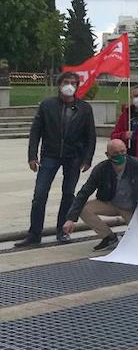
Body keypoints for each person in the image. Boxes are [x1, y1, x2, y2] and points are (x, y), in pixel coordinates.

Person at [16, 72, 97, 247]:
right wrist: (32, 156)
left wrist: (87, 158)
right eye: (66, 82)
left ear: (77, 86)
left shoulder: (84, 108)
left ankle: (63, 231)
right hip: (50, 155)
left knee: (68, 194)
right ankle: (34, 234)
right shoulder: (47, 105)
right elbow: (36, 131)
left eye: (73, 83)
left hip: (73, 157)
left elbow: (91, 135)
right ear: (59, 84)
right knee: (40, 194)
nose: (69, 85)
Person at [63, 139, 138, 251]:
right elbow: (84, 192)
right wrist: (71, 218)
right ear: (107, 155)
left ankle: (134, 233)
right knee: (84, 208)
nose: (120, 155)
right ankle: (109, 237)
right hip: (110, 203)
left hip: (132, 207)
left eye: (122, 152)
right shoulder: (101, 169)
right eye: (115, 153)